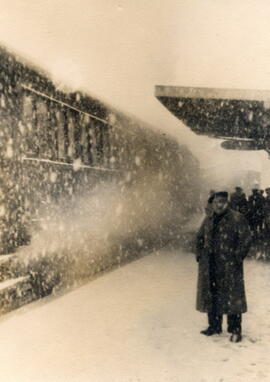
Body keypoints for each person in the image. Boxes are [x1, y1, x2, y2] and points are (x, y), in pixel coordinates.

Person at [195, 191, 251, 342]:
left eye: (222, 202)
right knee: (213, 295)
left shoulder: (237, 218)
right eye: (216, 202)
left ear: (226, 202)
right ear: (213, 204)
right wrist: (200, 254)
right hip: (211, 264)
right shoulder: (209, 218)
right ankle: (214, 326)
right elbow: (199, 237)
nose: (219, 205)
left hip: (229, 265)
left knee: (233, 297)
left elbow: (245, 239)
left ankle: (235, 329)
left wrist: (237, 257)